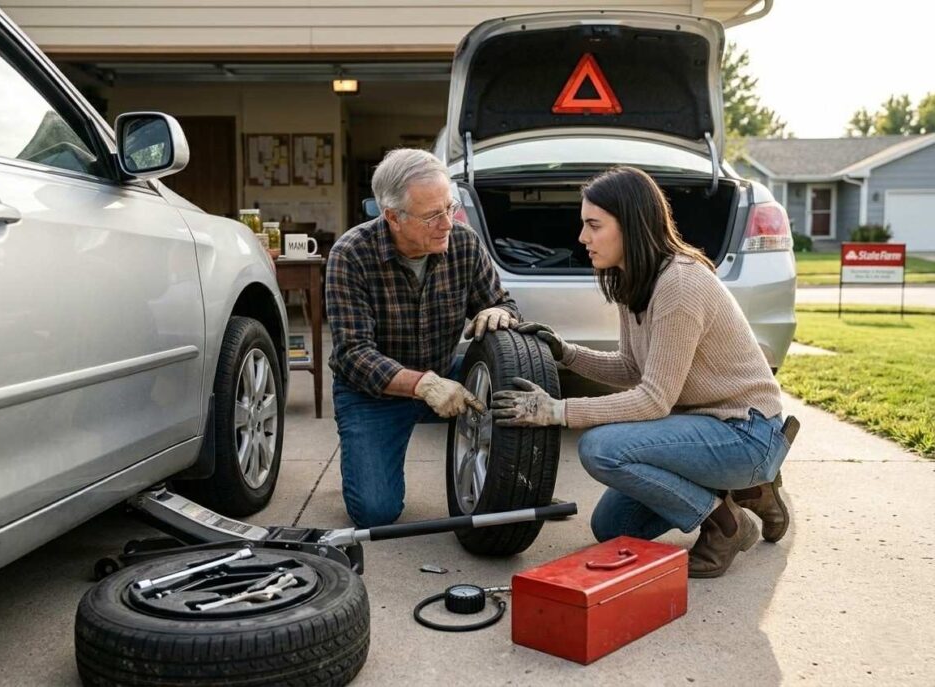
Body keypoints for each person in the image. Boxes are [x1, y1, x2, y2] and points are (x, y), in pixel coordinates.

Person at [490, 166, 791, 578]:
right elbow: (633, 368)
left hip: (746, 432)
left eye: (594, 225)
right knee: (614, 528)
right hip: (703, 428)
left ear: (630, 224)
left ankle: (726, 523)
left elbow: (654, 400)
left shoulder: (680, 284)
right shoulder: (635, 279)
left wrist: (557, 411)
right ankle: (750, 490)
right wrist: (565, 353)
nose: (582, 238)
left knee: (600, 449)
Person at [326, 148, 520, 528]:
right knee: (376, 513)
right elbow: (352, 354)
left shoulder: (464, 243)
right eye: (432, 215)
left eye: (450, 207)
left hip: (447, 370)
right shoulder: (350, 254)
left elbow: (502, 302)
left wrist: (501, 313)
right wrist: (422, 385)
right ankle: (360, 461)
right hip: (372, 392)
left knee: (518, 369)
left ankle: (519, 480)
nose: (447, 223)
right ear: (392, 217)